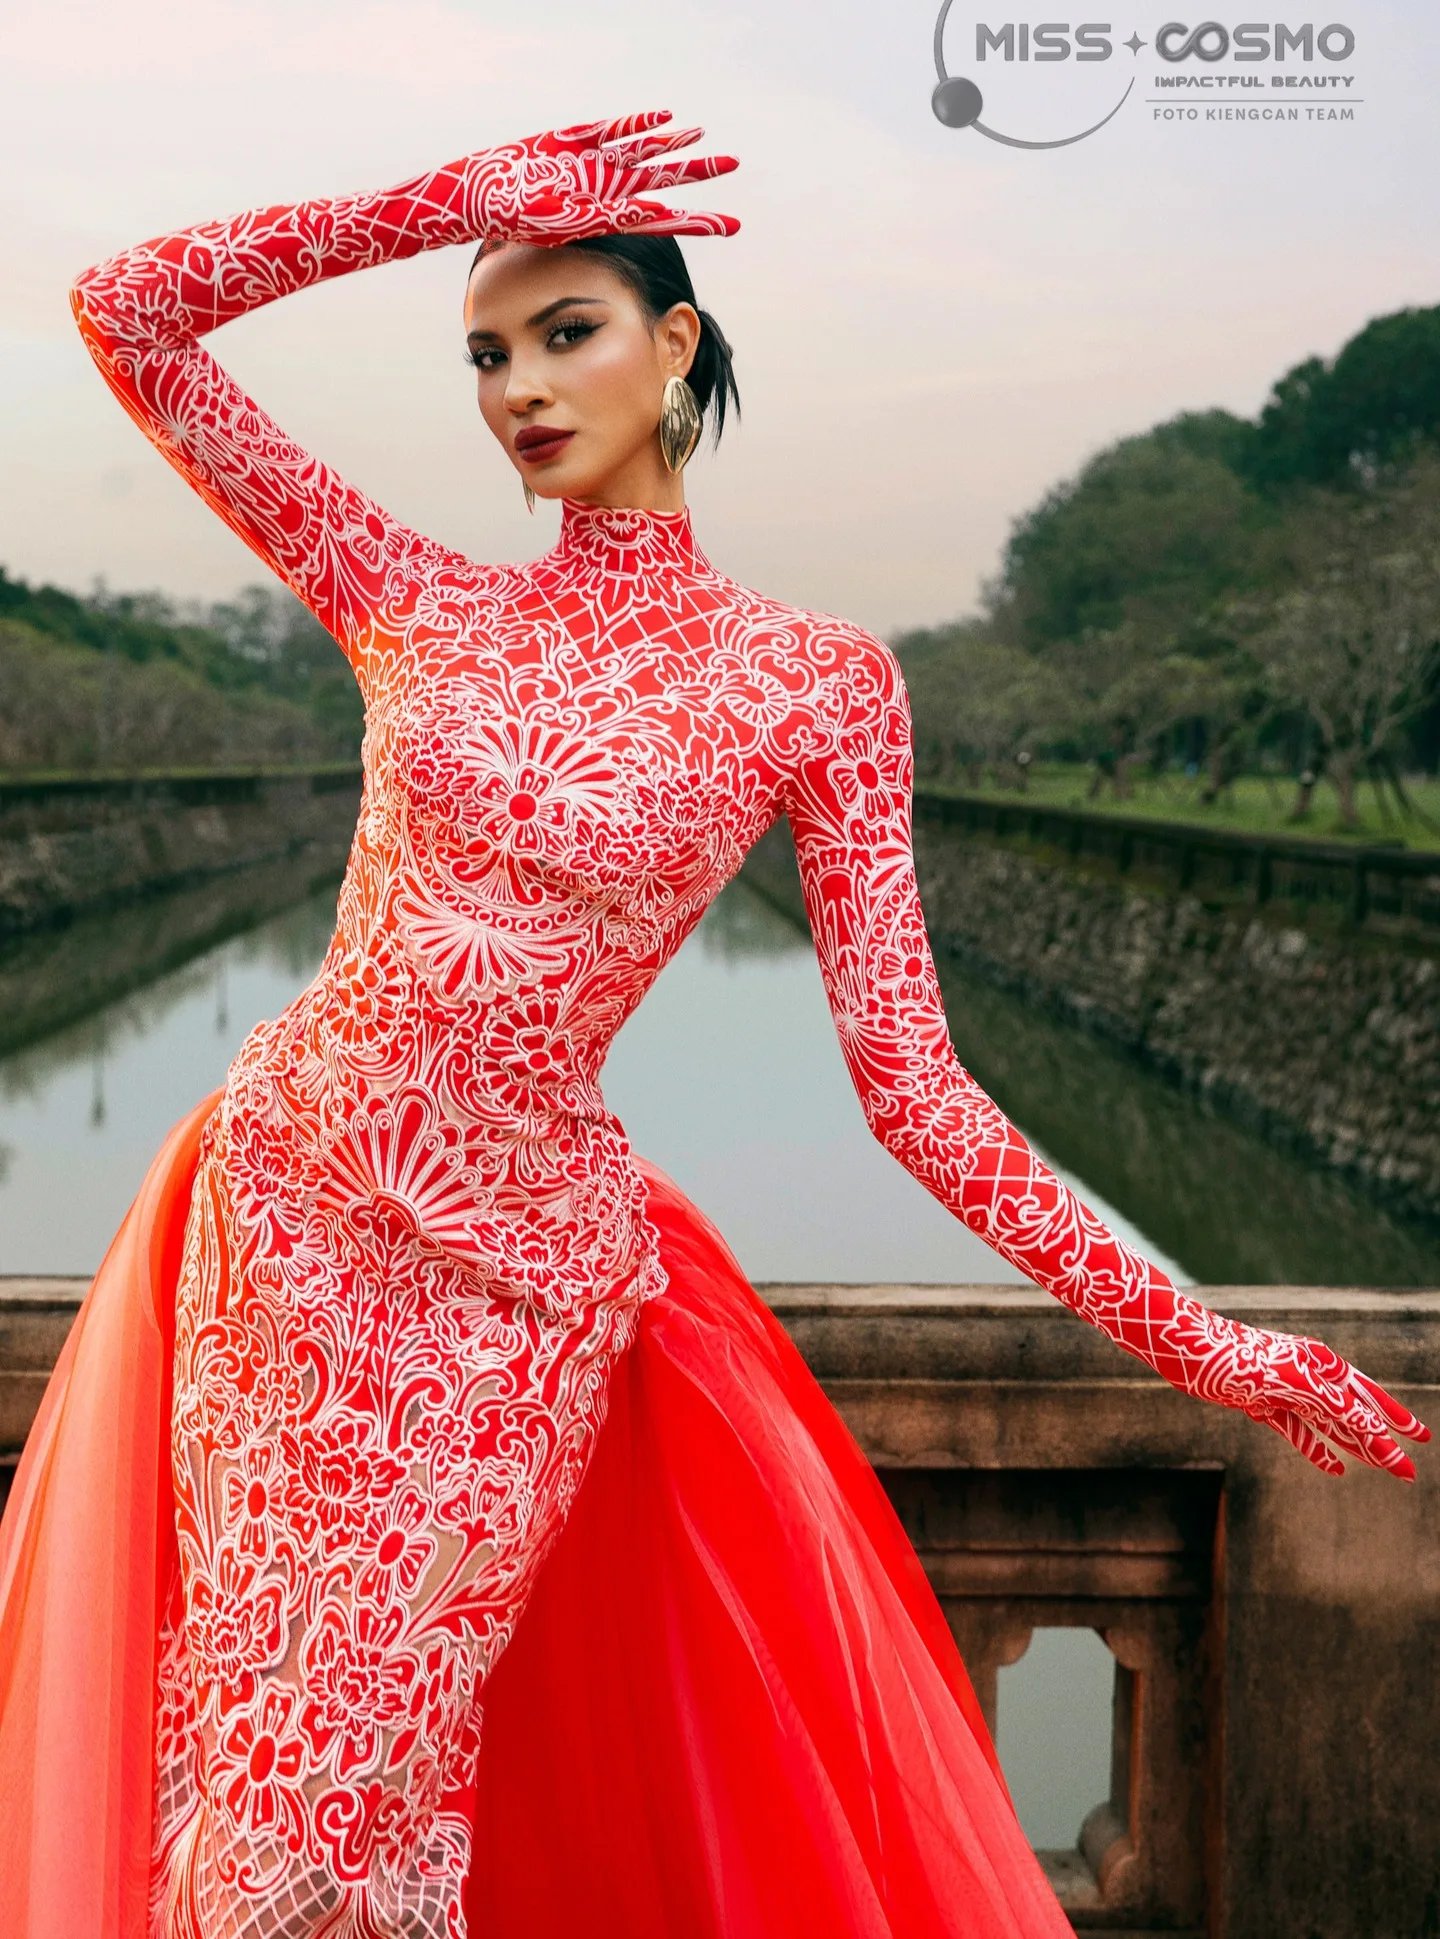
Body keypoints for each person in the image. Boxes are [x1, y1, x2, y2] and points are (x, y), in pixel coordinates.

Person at [0, 112, 1426, 1939]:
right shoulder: (412, 599)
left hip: (509, 1294)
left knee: (348, 1799)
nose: (519, 386)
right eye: (486, 353)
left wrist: (1206, 1337)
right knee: (242, 1765)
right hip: (286, 1228)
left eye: (568, 325)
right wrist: (445, 207)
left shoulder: (814, 684)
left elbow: (916, 1094)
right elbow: (124, 314)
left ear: (679, 342)